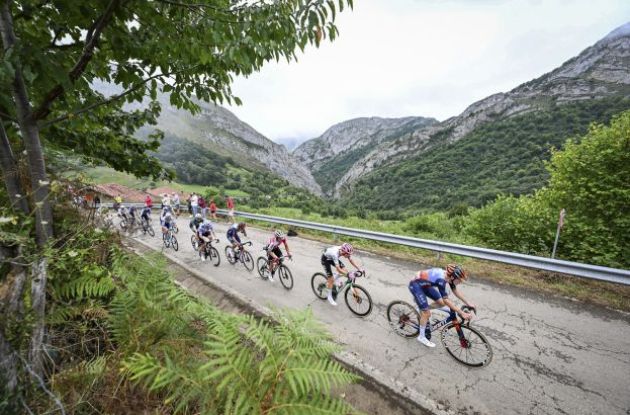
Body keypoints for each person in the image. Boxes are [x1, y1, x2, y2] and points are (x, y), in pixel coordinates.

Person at [409, 264, 474, 348]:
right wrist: (461, 312)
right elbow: (446, 300)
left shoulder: (449, 277)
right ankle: (421, 336)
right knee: (427, 314)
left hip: (425, 284)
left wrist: (467, 302)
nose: (460, 282)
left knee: (441, 303)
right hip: (416, 285)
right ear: (453, 277)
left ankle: (422, 309)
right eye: (459, 280)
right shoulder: (441, 280)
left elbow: (455, 291)